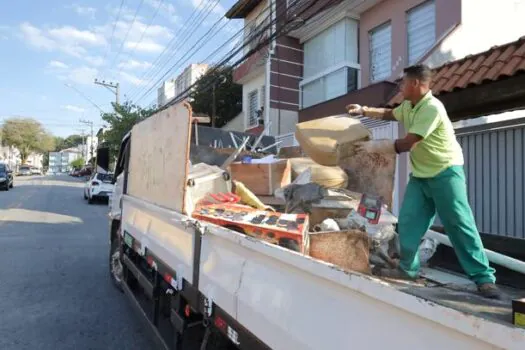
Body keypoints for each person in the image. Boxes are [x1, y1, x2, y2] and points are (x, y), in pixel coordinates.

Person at [346, 64, 501, 299]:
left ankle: (484, 278)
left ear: (416, 84)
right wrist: (363, 110)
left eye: (403, 83)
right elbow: (390, 113)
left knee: (459, 223)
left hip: (445, 172)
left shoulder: (431, 108)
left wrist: (375, 147)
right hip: (420, 176)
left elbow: (409, 142)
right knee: (408, 223)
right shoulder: (409, 106)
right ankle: (408, 270)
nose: (401, 87)